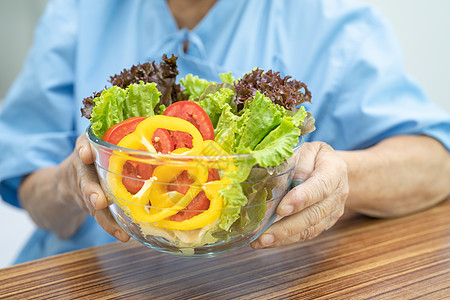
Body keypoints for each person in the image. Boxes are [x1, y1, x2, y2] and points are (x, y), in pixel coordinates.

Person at [1, 0, 449, 264]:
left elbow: (435, 164)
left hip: (254, 282)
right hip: (88, 275)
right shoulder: (79, 11)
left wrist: (340, 176)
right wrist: (69, 185)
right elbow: (31, 187)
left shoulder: (329, 18)